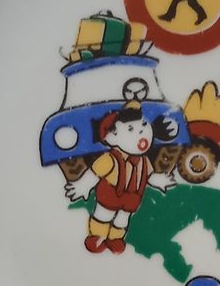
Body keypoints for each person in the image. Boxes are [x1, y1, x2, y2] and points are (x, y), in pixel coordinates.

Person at [65, 101, 177, 254]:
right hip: (110, 195)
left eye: (144, 125)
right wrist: (83, 186)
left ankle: (115, 238)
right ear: (111, 138)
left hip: (131, 198)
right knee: (103, 216)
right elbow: (94, 173)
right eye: (130, 129)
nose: (141, 132)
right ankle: (97, 237)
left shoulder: (144, 161)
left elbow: (148, 175)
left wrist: (159, 180)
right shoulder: (109, 160)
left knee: (122, 220)